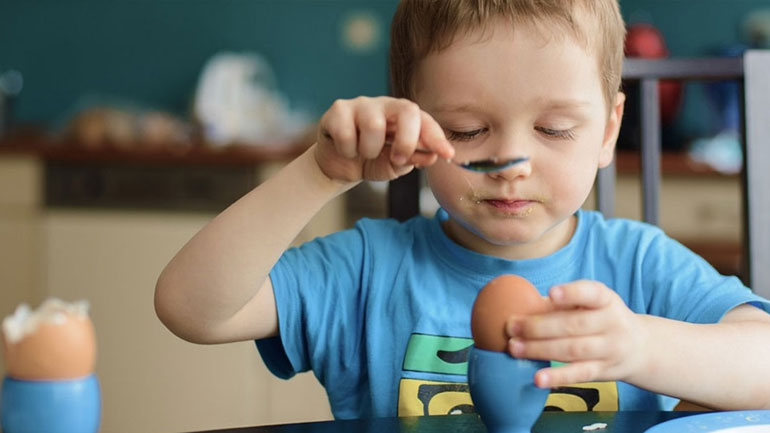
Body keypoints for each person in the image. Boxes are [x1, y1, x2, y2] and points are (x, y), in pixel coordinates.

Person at [154, 0, 770, 419]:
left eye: (554, 129)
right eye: (467, 130)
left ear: (609, 130)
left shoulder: (640, 268)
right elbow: (191, 309)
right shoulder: (369, 272)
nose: (511, 162)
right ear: (411, 122)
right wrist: (320, 173)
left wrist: (642, 346)